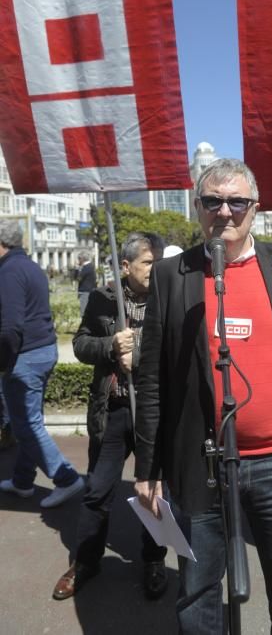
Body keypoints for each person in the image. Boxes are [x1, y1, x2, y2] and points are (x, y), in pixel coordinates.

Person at [134, 159, 272, 634]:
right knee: (198, 594)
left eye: (237, 201)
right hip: (199, 465)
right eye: (213, 201)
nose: (225, 212)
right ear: (198, 208)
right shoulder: (173, 275)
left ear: (256, 207)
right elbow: (152, 377)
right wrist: (147, 469)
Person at [52, 232, 169, 601]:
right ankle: (86, 561)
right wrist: (109, 345)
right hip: (113, 410)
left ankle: (154, 560)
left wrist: (145, 352)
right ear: (126, 266)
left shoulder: (170, 296)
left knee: (153, 490)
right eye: (148, 262)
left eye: (157, 262)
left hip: (154, 411)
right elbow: (81, 344)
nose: (154, 269)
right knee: (97, 491)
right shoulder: (104, 299)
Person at [0, 219, 83, 507]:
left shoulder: (9, 271)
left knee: (26, 424)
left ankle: (67, 479)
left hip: (25, 356)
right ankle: (23, 480)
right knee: (30, 421)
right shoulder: (30, 266)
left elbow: (10, 327)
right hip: (42, 350)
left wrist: (3, 362)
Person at [76, 251, 97, 316]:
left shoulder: (86, 267)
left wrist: (77, 268)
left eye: (79, 259)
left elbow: (78, 278)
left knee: (84, 312)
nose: (78, 261)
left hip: (85, 291)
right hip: (88, 291)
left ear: (82, 259)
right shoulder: (90, 266)